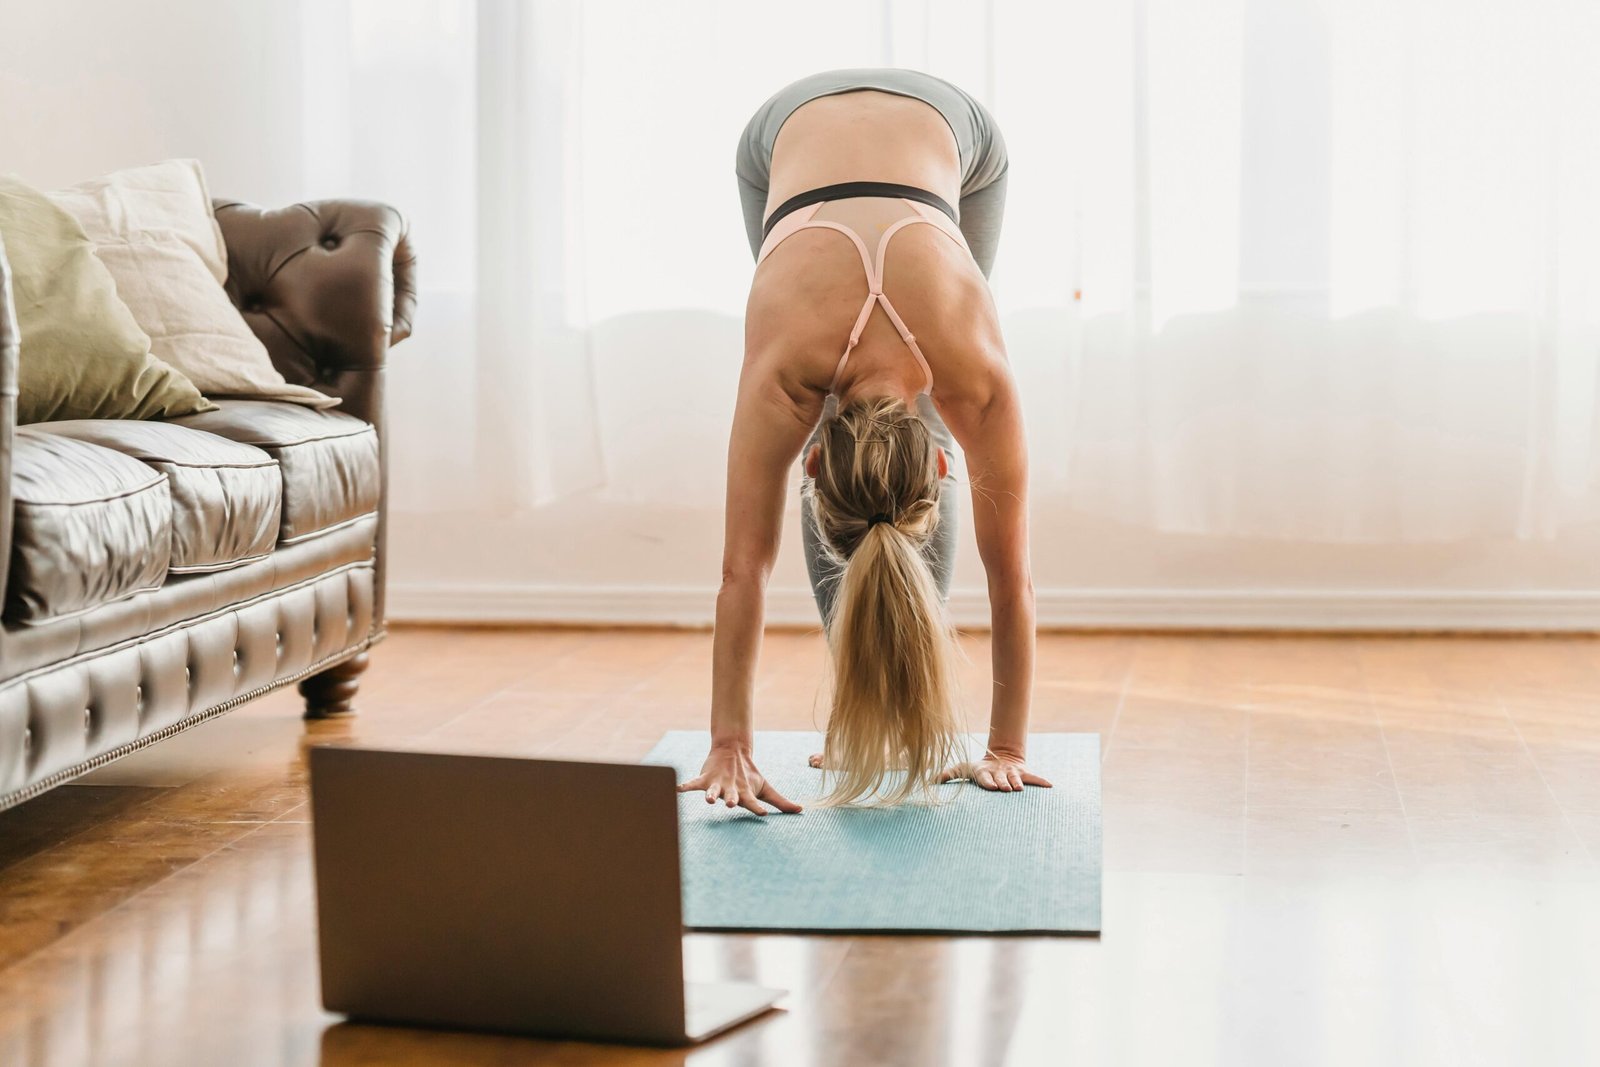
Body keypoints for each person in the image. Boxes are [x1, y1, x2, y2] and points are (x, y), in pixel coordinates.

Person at [677, 68, 1049, 814]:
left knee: (900, 402)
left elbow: (739, 573)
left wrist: (730, 743)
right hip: (780, 138)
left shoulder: (803, 374)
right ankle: (869, 706)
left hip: (955, 141)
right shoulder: (965, 377)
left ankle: (902, 704)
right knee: (875, 403)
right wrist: (1006, 750)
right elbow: (1015, 578)